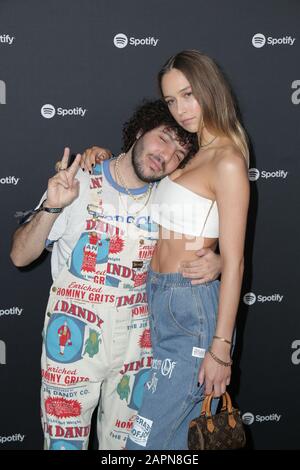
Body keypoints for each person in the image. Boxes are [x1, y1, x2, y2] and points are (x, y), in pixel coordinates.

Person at [10, 99, 222, 450]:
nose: (166, 155)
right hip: (71, 345)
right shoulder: (78, 181)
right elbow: (20, 256)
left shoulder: (168, 200)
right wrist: (51, 207)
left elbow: (201, 253)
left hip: (138, 350)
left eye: (179, 153)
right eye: (164, 138)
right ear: (141, 129)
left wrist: (217, 262)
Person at [127, 50, 250, 450]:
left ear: (210, 89)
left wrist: (221, 348)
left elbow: (235, 261)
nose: (181, 109)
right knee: (175, 441)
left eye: (188, 94)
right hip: (160, 299)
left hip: (192, 311)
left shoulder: (227, 160)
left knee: (147, 444)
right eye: (171, 101)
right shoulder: (198, 153)